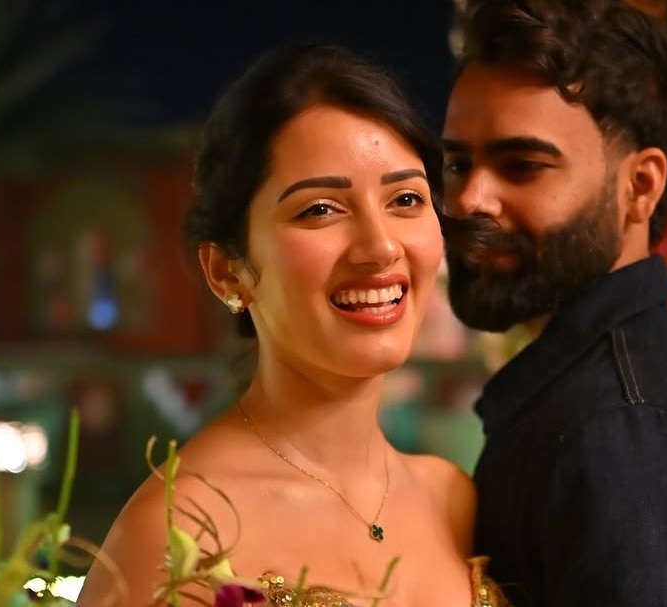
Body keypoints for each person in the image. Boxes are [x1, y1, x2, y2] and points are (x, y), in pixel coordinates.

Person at [79, 44, 505, 607]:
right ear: (228, 273)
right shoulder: (179, 536)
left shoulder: (451, 497)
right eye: (320, 209)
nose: (381, 247)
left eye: (405, 199)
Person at [439, 1, 667, 606]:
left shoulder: (623, 428)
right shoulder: (602, 395)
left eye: (523, 166)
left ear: (640, 186)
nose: (468, 200)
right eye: (458, 163)